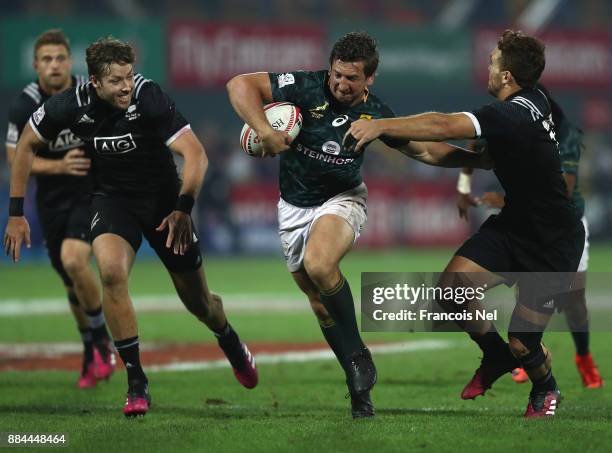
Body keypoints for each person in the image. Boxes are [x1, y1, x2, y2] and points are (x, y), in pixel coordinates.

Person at [227, 31, 490, 418]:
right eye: (337, 75)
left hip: (343, 199)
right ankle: (359, 389)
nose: (340, 84)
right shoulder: (304, 86)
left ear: (371, 79)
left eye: (352, 78)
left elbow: (426, 150)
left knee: (320, 264)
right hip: (293, 207)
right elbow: (240, 85)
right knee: (319, 304)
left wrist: (478, 160)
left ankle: (356, 357)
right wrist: (265, 131)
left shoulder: (376, 114)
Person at [4, 37, 258, 417]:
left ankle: (229, 339)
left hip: (164, 205)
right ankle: (136, 381)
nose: (126, 86)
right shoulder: (69, 104)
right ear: (94, 83)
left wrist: (183, 209)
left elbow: (196, 155)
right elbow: (24, 146)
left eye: (128, 76)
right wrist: (16, 212)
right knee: (110, 272)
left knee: (200, 303)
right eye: (116, 81)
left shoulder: (149, 97)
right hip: (111, 201)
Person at [346, 29, 585, 417]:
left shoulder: (508, 113)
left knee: (524, 344)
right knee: (451, 292)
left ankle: (546, 387)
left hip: (553, 242)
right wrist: (398, 139)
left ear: (507, 76)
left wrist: (382, 126)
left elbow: (442, 125)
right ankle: (495, 358)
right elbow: (466, 156)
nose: (488, 68)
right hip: (515, 227)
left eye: (493, 62)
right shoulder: (537, 100)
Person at [456, 86, 603, 389]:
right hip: (527, 223)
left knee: (573, 301)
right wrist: (463, 183)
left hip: (565, 226)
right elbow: (476, 142)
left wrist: (511, 196)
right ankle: (526, 355)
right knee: (525, 296)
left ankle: (583, 357)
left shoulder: (567, 137)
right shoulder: (520, 125)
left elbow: (561, 187)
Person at [4, 29, 114, 389]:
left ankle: (101, 340)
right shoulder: (24, 105)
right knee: (71, 284)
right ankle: (89, 350)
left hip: (90, 192)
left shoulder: (92, 92)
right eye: (47, 60)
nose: (54, 65)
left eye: (60, 58)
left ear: (71, 62)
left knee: (73, 260)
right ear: (36, 65)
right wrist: (58, 166)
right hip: (50, 201)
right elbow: (15, 159)